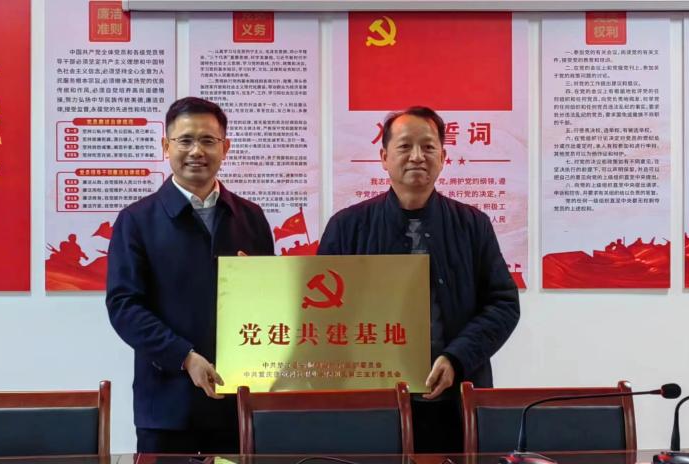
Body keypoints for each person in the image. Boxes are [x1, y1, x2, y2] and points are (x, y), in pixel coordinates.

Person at [317, 106, 520, 453]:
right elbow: (321, 312)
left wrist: (456, 358)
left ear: (443, 157)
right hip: (373, 400)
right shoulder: (348, 227)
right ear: (384, 157)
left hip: (456, 398)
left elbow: (503, 304)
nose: (416, 156)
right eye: (404, 146)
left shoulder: (472, 225)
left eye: (428, 147)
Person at [106, 97, 274, 453]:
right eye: (185, 140)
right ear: (166, 146)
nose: (196, 151)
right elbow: (124, 306)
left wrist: (259, 288)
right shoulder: (137, 221)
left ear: (225, 148)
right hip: (167, 408)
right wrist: (185, 357)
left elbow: (272, 306)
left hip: (238, 404)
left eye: (208, 140)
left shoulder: (251, 218)